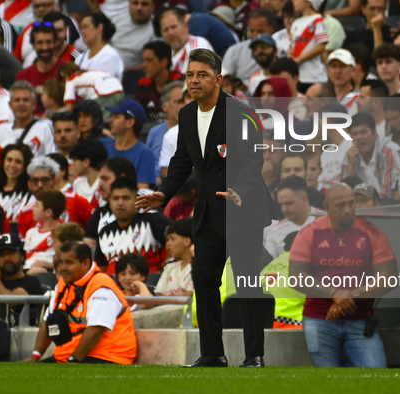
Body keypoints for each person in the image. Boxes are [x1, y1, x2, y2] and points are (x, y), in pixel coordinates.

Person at [136, 48, 274, 368]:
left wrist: (239, 189)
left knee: (247, 281)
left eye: (202, 75)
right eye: (190, 75)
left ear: (218, 79)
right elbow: (181, 163)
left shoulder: (241, 112)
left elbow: (254, 161)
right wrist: (163, 193)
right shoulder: (186, 115)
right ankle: (213, 354)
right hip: (209, 212)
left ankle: (254, 355)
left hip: (243, 209)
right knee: (203, 279)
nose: (195, 81)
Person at [289, 183, 397, 367]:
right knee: (328, 381)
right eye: (340, 205)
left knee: (377, 378)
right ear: (326, 207)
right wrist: (333, 293)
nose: (348, 210)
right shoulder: (309, 233)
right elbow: (296, 276)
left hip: (360, 321)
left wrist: (349, 296)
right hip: (319, 320)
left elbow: (389, 277)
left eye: (351, 203)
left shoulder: (372, 233)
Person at [26, 241, 137, 364]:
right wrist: (35, 357)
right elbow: (49, 320)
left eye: (69, 263)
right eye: (60, 262)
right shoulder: (63, 283)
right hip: (71, 356)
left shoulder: (101, 285)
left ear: (85, 264)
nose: (62, 268)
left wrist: (73, 360)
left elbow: (96, 329)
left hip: (107, 356)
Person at [96, 178, 170, 274]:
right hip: (113, 286)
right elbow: (101, 268)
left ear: (136, 199)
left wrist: (164, 273)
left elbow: (180, 242)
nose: (120, 203)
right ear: (109, 201)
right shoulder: (104, 232)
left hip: (150, 285)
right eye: (115, 198)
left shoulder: (153, 221)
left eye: (126, 198)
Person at [0, 232, 42, 325]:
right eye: (2, 254)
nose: (6, 258)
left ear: (22, 256)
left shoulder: (31, 282)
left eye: (11, 253)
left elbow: (9, 302)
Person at [17, 156, 94, 238]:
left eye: (45, 180)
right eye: (35, 181)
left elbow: (95, 227)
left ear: (54, 181)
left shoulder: (75, 200)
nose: (40, 185)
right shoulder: (25, 212)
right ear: (29, 184)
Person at [342, 113, 400, 200]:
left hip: (387, 207)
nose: (359, 137)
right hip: (361, 208)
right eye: (355, 134)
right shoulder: (351, 155)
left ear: (375, 132)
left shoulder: (389, 152)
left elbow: (387, 194)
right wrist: (351, 167)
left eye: (363, 132)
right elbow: (344, 194)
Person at [264, 175, 324, 259]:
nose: (284, 209)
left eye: (289, 203)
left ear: (304, 199)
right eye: (281, 204)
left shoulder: (327, 222)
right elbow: (269, 267)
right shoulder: (275, 232)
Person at [84, 156, 137, 248]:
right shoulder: (100, 213)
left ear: (122, 178)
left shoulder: (149, 206)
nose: (100, 184)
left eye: (105, 179)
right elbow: (88, 247)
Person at [104, 98, 156, 188]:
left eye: (115, 116)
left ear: (130, 122)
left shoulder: (145, 154)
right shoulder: (102, 145)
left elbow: (142, 192)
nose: (109, 120)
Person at [15, 22, 63, 116]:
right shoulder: (23, 76)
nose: (45, 47)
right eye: (40, 43)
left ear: (55, 43)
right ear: (33, 45)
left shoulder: (66, 71)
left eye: (48, 42)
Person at [0, 81, 56, 157]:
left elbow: (53, 160)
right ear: (10, 105)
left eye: (25, 100)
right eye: (17, 100)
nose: (21, 104)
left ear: (34, 104)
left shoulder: (45, 127)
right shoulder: (0, 130)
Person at [222, 9, 276, 85]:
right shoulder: (234, 51)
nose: (255, 35)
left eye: (260, 31)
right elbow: (223, 82)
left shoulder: (280, 49)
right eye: (252, 31)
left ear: (271, 30)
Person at [0, 143, 35, 225]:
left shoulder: (30, 192)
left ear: (25, 166)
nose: (12, 165)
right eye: (9, 160)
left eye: (18, 162)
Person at [137, 40, 183, 124]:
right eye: (143, 60)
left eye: (149, 60)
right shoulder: (143, 85)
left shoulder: (182, 82)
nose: (144, 65)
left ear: (164, 62)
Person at [146, 81, 185, 180]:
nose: (183, 106)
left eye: (186, 101)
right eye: (178, 102)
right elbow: (147, 163)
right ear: (164, 106)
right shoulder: (155, 132)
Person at [288, 0, 328, 92]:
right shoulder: (296, 23)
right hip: (298, 75)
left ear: (308, 3)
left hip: (313, 75)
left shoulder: (318, 21)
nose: (294, 2)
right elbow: (291, 45)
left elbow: (321, 46)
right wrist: (290, 54)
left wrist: (299, 59)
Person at [159, 7, 214, 75]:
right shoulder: (165, 54)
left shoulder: (197, 44)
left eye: (174, 27)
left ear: (185, 26)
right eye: (165, 30)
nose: (170, 33)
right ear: (161, 34)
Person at [24, 189, 66, 272]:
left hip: (46, 271)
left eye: (36, 205)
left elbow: (68, 259)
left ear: (48, 212)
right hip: (25, 268)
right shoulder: (31, 232)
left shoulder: (62, 233)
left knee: (36, 271)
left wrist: (49, 265)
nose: (32, 208)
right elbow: (25, 255)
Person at [75, 13, 124, 81]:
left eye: (85, 27)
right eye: (81, 28)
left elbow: (99, 84)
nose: (82, 32)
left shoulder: (110, 55)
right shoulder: (80, 57)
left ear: (99, 28)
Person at [155, 217, 194, 296]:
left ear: (187, 241)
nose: (168, 244)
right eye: (167, 240)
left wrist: (168, 298)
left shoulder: (197, 268)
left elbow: (188, 298)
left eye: (172, 239)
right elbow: (159, 297)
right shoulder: (169, 267)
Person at [70, 138, 108, 205]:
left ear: (86, 162)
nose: (72, 164)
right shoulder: (78, 184)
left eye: (75, 160)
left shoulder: (107, 183)